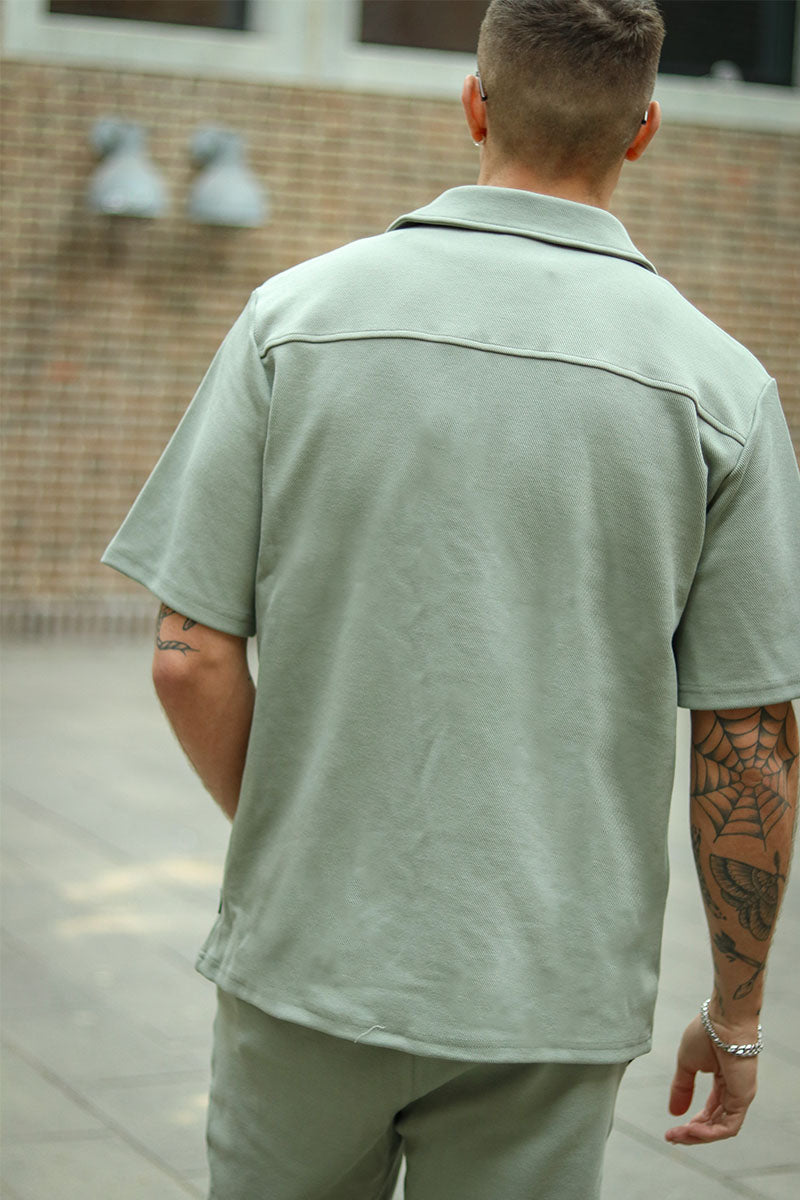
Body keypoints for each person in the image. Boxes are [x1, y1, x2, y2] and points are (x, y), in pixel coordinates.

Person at [102, 1, 800, 1196]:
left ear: (473, 103)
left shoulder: (292, 322)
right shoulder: (720, 390)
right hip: (548, 986)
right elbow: (748, 739)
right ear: (643, 129)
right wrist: (733, 1018)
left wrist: (296, 853)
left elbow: (187, 654)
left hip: (309, 957)